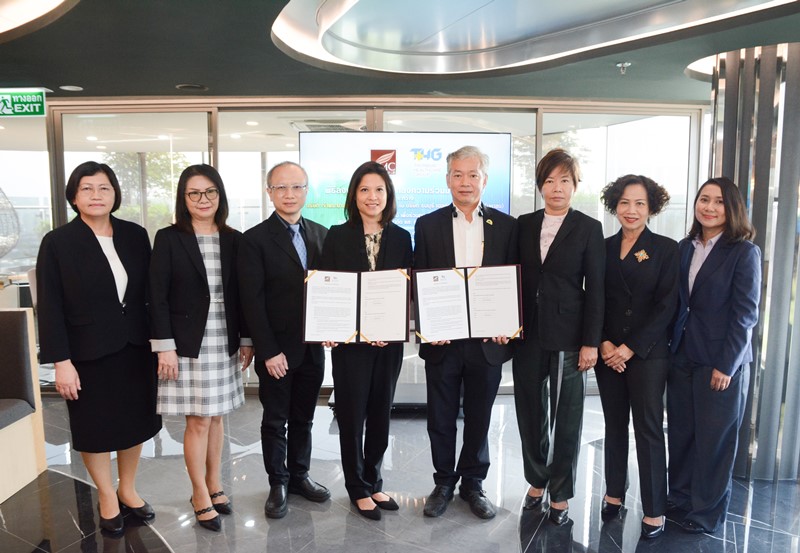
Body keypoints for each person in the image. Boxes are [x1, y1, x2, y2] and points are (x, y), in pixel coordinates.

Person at [36, 161, 161, 535]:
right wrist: (61, 361)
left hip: (135, 347)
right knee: (94, 426)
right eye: (87, 188)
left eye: (104, 188)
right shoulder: (58, 242)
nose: (96, 195)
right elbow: (50, 306)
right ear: (74, 196)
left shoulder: (134, 235)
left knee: (135, 422)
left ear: (115, 194)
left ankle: (128, 489)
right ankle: (107, 495)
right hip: (86, 353)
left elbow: (150, 294)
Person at [415, 145, 518, 520]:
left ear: (484, 180)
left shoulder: (507, 226)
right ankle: (443, 482)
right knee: (440, 417)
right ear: (447, 180)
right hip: (443, 340)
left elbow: (513, 280)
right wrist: (428, 325)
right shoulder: (427, 224)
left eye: (472, 175)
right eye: (457, 174)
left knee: (479, 416)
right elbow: (419, 278)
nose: (465, 182)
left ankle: (473, 484)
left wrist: (509, 324)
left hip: (487, 342)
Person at [149, 164, 253, 532]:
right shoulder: (169, 238)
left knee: (218, 416)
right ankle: (198, 493)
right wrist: (164, 346)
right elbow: (156, 295)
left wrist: (246, 338)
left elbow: (241, 295)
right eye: (194, 193)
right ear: (184, 198)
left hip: (224, 337)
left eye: (210, 191)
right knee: (198, 420)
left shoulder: (234, 239)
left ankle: (215, 483)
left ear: (219, 195)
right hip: (187, 342)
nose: (203, 199)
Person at [513, 148, 605, 525]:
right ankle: (537, 481)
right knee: (529, 411)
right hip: (528, 333)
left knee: (567, 417)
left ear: (575, 185)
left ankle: (561, 493)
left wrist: (590, 342)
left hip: (570, 336)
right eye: (549, 181)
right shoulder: (523, 224)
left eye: (564, 180)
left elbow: (596, 289)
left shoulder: (588, 228)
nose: (556, 188)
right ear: (540, 186)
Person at [667, 177, 761, 534]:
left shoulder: (743, 252)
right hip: (682, 354)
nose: (709, 207)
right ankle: (679, 497)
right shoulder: (685, 247)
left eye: (719, 201)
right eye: (704, 199)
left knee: (714, 442)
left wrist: (727, 365)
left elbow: (745, 314)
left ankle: (706, 512)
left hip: (720, 361)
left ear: (732, 208)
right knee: (682, 433)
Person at [320, 161, 412, 521]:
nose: (372, 197)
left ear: (388, 195)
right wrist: (333, 327)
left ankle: (374, 481)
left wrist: (389, 327)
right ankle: (356, 487)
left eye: (379, 190)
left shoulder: (402, 237)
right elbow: (329, 286)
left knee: (380, 412)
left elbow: (406, 289)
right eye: (364, 190)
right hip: (351, 345)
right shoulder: (337, 236)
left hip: (388, 344)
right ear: (353, 195)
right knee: (352, 413)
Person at [238, 161, 330, 519]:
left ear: (306, 191)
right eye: (281, 187)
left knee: (304, 418)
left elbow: (331, 290)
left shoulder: (322, 234)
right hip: (276, 351)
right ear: (269, 192)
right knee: (276, 420)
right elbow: (252, 300)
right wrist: (268, 350)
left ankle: (300, 476)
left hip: (313, 349)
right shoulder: (254, 239)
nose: (289, 194)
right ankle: (278, 482)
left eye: (296, 187)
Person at [595, 175, 679, 540]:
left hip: (647, 354)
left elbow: (667, 306)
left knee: (648, 429)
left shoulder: (666, 249)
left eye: (640, 203)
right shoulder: (602, 247)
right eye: (625, 202)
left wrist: (630, 347)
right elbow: (594, 299)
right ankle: (614, 492)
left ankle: (655, 508)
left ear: (651, 208)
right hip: (608, 352)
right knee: (614, 425)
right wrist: (603, 342)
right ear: (615, 205)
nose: (631, 210)